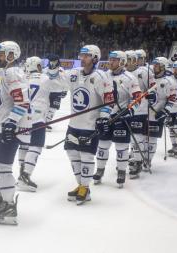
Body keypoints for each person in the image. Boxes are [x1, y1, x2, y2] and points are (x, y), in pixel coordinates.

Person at [0, 41, 29, 225]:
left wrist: (11, 122)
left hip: (12, 129)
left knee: (2, 165)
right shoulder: (9, 72)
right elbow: (10, 102)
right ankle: (0, 199)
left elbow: (22, 103)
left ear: (11, 55)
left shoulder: (12, 72)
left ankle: (9, 206)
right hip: (6, 126)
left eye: (1, 54)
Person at [63, 45, 114, 205]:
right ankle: (81, 185)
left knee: (86, 156)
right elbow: (58, 81)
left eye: (86, 56)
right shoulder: (74, 74)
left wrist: (103, 118)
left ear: (95, 58)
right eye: (81, 55)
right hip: (74, 124)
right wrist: (52, 69)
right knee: (72, 153)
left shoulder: (101, 76)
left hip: (90, 124)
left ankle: (85, 187)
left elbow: (109, 100)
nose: (82, 58)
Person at [16, 54, 67, 192]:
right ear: (38, 66)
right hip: (37, 117)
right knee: (36, 146)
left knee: (24, 145)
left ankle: (21, 174)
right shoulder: (44, 78)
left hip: (21, 117)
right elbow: (61, 87)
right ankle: (25, 175)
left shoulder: (20, 78)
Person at [93, 51, 140, 188]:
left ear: (122, 62)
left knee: (121, 147)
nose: (110, 62)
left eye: (114, 60)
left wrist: (129, 112)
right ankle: (100, 170)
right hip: (105, 117)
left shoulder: (130, 78)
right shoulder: (104, 75)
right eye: (110, 59)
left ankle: (121, 171)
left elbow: (137, 98)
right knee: (102, 145)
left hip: (122, 117)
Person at [125, 50, 153, 179]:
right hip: (125, 110)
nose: (127, 62)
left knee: (138, 136)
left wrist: (152, 96)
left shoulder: (143, 72)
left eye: (130, 59)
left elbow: (153, 88)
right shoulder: (122, 73)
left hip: (140, 109)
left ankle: (137, 161)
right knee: (130, 136)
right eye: (126, 59)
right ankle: (134, 156)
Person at [145, 57, 176, 166]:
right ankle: (137, 157)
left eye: (157, 65)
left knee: (152, 138)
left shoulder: (169, 81)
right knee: (141, 137)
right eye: (154, 65)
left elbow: (172, 98)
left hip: (157, 114)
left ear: (163, 66)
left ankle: (147, 159)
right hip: (144, 112)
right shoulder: (149, 79)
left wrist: (165, 111)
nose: (154, 67)